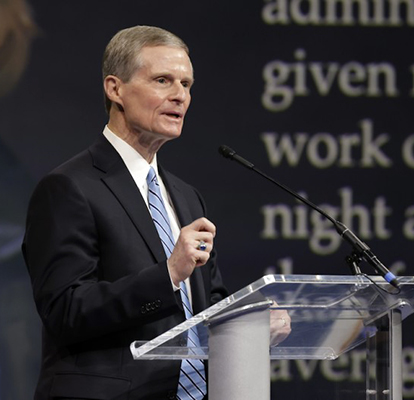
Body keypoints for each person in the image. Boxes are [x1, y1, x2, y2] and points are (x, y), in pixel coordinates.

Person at [22, 26, 290, 400]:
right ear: (115, 89)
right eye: (163, 80)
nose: (180, 96)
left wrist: (252, 326)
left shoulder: (186, 197)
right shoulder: (69, 188)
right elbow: (65, 311)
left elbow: (206, 308)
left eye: (187, 84)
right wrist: (167, 275)